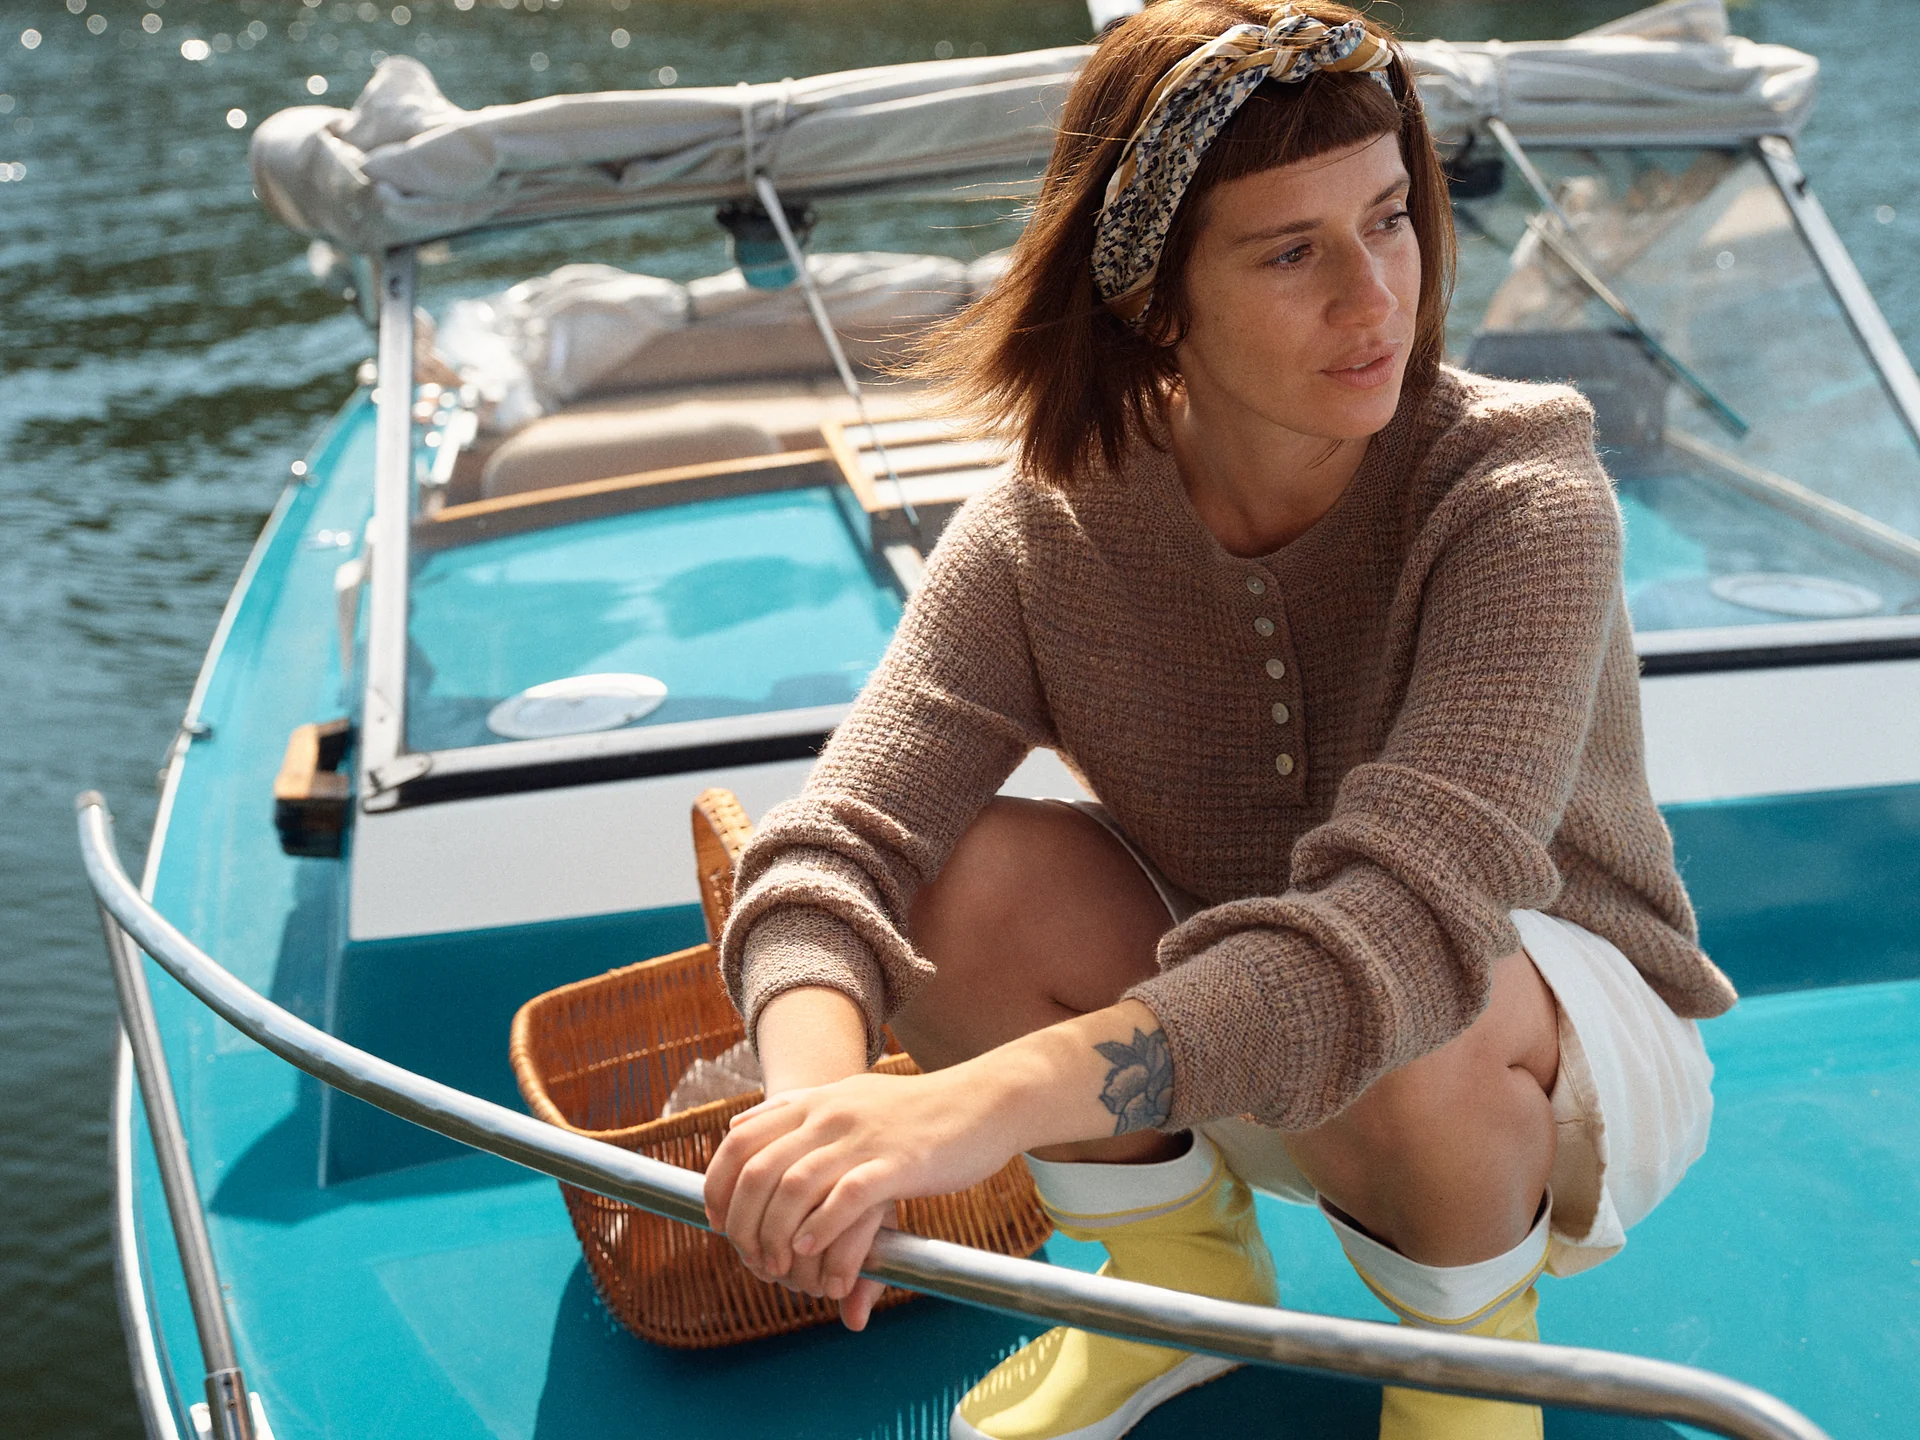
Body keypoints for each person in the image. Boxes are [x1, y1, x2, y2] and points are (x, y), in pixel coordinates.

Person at [702, 4, 1733, 1438]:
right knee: (955, 879)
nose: (1375, 300)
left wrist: (969, 1111)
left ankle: (1471, 1372)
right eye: (1291, 251)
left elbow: (1400, 933)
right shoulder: (1045, 526)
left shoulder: (1520, 498)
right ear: (1152, 299)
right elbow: (838, 848)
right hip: (1223, 1022)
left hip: (1546, 1056)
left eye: (1390, 219)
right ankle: (1179, 1288)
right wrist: (817, 1130)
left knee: (1418, 998)